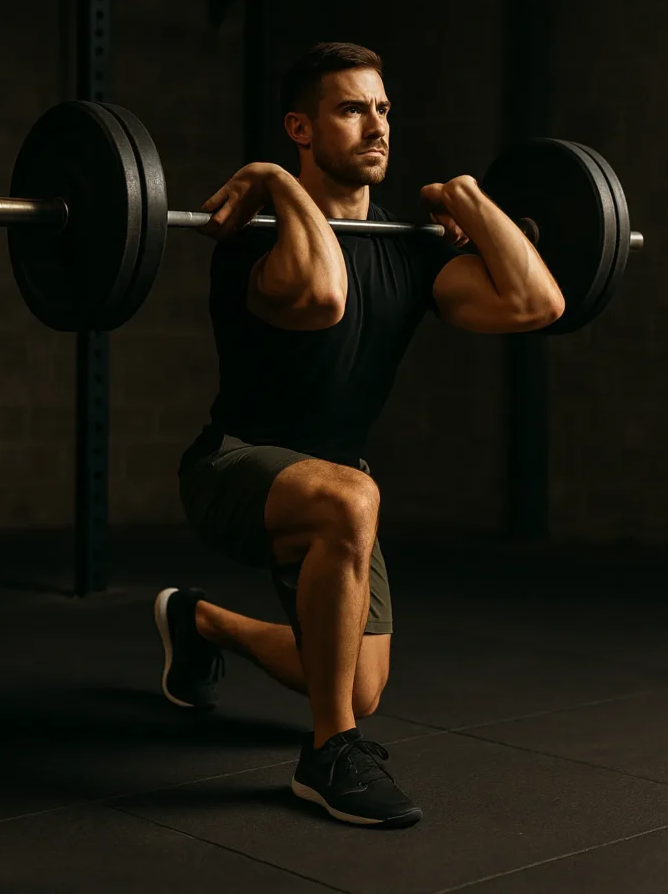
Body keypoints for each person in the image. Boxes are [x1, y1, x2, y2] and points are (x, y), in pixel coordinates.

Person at [154, 42, 564, 829]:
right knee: (352, 497)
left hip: (340, 488)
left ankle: (197, 621)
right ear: (299, 129)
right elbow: (322, 297)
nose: (375, 126)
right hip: (232, 468)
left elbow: (535, 304)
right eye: (351, 109)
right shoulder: (251, 235)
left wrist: (468, 198)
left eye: (381, 110)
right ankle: (327, 756)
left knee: (358, 683)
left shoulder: (409, 251)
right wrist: (273, 182)